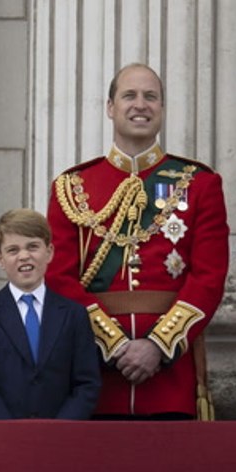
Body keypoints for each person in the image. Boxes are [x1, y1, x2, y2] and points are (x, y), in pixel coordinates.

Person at [46, 64, 229, 419]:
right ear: (110, 107)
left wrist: (158, 346)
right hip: (95, 379)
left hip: (170, 378)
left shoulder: (200, 184)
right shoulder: (72, 187)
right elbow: (58, 278)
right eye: (129, 95)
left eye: (151, 97)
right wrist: (113, 345)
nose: (140, 104)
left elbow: (208, 278)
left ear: (161, 108)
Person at [0, 209, 101, 419]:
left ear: (49, 252)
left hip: (60, 436)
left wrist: (61, 428)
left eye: (33, 247)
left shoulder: (73, 314)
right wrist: (8, 429)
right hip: (1, 436)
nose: (24, 256)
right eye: (13, 250)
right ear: (0, 259)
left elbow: (87, 382)